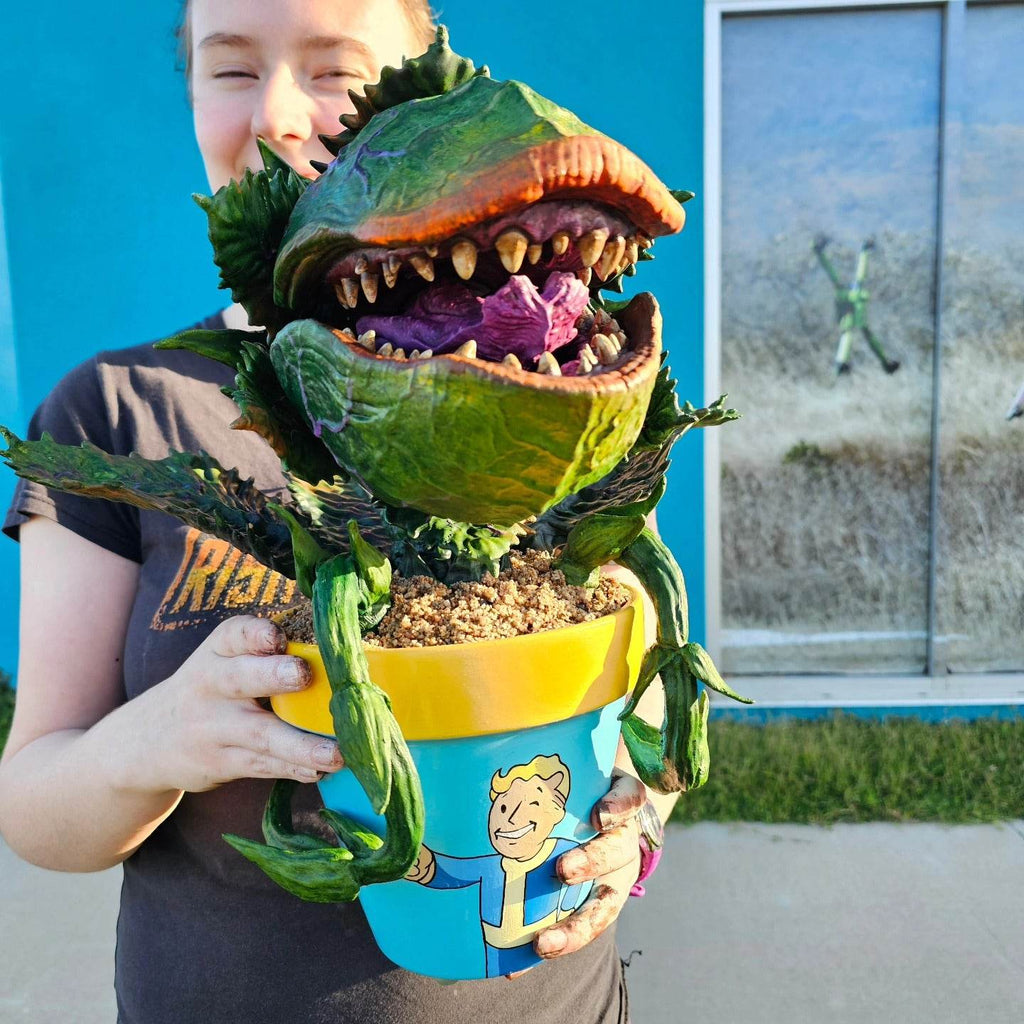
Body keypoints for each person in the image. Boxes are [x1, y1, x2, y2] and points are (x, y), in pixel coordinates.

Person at [0, 2, 677, 1021]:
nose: (278, 114)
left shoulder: (554, 377)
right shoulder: (116, 413)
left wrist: (637, 827)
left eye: (336, 72)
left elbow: (644, 694)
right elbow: (35, 807)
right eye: (232, 70)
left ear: (430, 98)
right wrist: (158, 740)